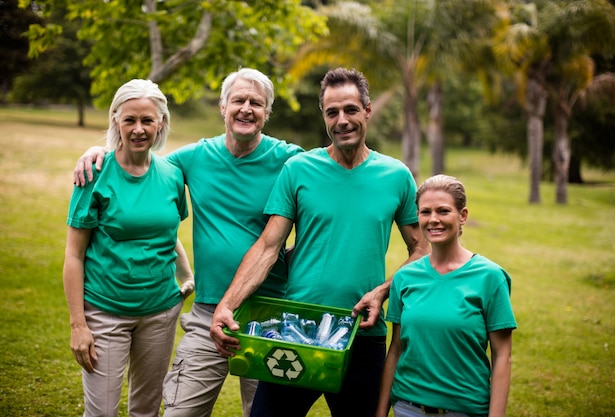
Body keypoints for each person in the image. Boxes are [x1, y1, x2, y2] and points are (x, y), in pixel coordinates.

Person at [73, 68, 304, 417]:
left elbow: (328, 194)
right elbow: (141, 163)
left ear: (267, 113)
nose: (246, 108)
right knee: (179, 412)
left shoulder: (290, 160)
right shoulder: (194, 158)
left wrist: (294, 257)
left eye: (256, 103)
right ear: (223, 107)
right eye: (238, 100)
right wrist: (98, 151)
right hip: (208, 311)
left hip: (269, 315)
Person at [209, 67, 430, 417]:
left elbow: (421, 248)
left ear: (367, 111)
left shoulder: (396, 176)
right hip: (295, 329)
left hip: (362, 335)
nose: (342, 120)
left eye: (351, 110)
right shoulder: (299, 170)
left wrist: (383, 291)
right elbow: (268, 247)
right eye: (332, 112)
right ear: (324, 116)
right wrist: (227, 304)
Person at [63, 79, 194, 417]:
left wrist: (187, 276)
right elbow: (74, 256)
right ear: (116, 121)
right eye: (129, 120)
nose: (138, 129)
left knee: (146, 410)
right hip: (105, 313)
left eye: (147, 120)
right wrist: (78, 324)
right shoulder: (94, 173)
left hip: (161, 313)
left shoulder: (171, 175)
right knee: (102, 412)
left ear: (160, 123)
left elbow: (167, 234)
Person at [376, 174, 517, 417]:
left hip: (465, 411)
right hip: (408, 409)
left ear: (462, 215)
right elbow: (396, 350)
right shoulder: (404, 278)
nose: (433, 220)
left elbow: (502, 356)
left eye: (443, 211)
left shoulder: (490, 278)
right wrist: (380, 412)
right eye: (425, 212)